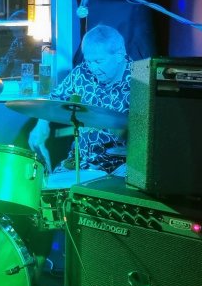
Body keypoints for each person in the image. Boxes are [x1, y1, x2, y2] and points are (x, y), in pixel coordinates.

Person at [27, 24, 131, 174]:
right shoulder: (82, 72)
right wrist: (41, 125)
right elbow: (54, 99)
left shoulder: (140, 81)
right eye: (89, 61)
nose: (93, 68)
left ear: (119, 55)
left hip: (118, 166)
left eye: (99, 62)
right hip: (79, 161)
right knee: (50, 183)